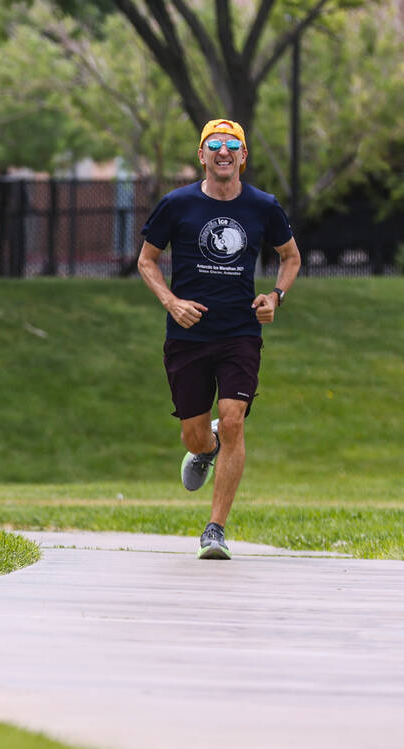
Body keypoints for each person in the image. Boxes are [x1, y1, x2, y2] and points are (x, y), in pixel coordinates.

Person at [136, 118, 301, 560]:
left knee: (234, 418)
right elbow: (147, 261)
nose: (223, 151)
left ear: (244, 157)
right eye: (215, 144)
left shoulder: (263, 206)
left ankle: (215, 529)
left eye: (232, 144)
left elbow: (291, 256)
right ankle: (205, 447)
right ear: (202, 155)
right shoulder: (177, 204)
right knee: (195, 435)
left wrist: (276, 296)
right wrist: (172, 303)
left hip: (240, 332)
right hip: (187, 335)